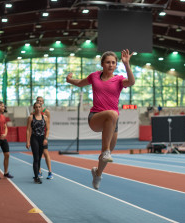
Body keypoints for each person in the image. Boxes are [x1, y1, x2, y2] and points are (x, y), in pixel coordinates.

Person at [66, 50, 135, 190]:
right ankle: (105, 152)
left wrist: (127, 64)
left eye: (113, 63)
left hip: (112, 122)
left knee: (106, 154)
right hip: (96, 118)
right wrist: (69, 80)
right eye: (108, 62)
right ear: (102, 64)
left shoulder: (119, 80)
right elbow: (80, 83)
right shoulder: (94, 76)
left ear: (116, 65)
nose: (111, 65)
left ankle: (98, 173)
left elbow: (132, 82)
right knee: (112, 114)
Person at [26, 102, 50, 184]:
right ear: (34, 108)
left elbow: (48, 129)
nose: (38, 108)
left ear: (41, 107)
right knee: (36, 158)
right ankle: (36, 177)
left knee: (39, 158)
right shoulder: (30, 117)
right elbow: (28, 130)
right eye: (36, 107)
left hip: (42, 139)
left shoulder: (45, 117)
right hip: (34, 138)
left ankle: (37, 174)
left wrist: (46, 138)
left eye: (39, 107)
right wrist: (28, 141)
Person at [35, 96, 53, 180]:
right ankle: (39, 171)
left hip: (43, 136)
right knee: (37, 155)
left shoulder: (46, 112)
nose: (39, 102)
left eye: (41, 101)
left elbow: (48, 126)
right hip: (36, 136)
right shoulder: (33, 113)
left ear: (43, 102)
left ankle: (50, 172)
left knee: (45, 153)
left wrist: (46, 137)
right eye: (38, 101)